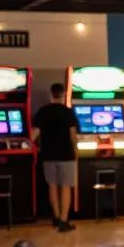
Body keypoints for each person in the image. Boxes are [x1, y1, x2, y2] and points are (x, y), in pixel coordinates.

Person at [30, 82, 79, 232]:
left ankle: (56, 218)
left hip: (48, 154)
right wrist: (76, 152)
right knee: (65, 187)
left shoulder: (42, 112)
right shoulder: (68, 112)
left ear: (51, 94)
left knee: (52, 186)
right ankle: (64, 220)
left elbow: (34, 135)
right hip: (66, 154)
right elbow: (73, 135)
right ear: (63, 95)